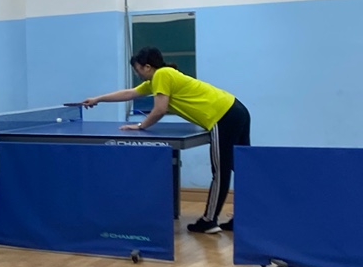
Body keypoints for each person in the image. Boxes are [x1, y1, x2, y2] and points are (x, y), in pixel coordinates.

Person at [82, 47, 250, 234]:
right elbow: (130, 93)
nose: (137, 74)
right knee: (242, 168)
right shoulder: (160, 79)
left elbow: (160, 109)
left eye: (137, 69)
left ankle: (209, 221)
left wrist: (141, 126)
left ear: (147, 67)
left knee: (220, 171)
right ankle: (245, 217)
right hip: (236, 108)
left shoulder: (162, 75)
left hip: (223, 116)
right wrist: (97, 99)